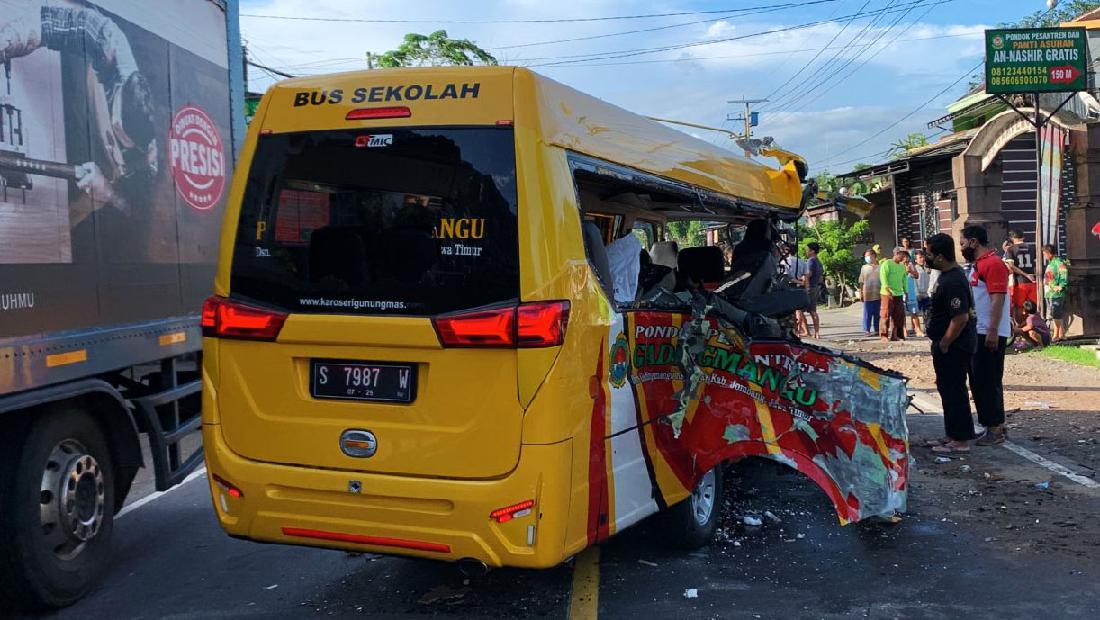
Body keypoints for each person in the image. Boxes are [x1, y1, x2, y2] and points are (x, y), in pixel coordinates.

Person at [923, 233, 978, 454]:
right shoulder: (946, 276)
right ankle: (951, 434)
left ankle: (961, 440)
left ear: (939, 256)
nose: (925, 257)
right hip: (945, 344)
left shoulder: (954, 280)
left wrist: (945, 342)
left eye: (928, 253)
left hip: (955, 345)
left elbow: (960, 317)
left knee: (955, 390)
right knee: (946, 388)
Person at [961, 224, 1011, 446]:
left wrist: (992, 330)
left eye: (963, 243)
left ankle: (995, 428)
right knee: (980, 380)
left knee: (987, 380)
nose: (961, 247)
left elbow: (997, 297)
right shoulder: (980, 264)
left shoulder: (992, 264)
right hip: (979, 330)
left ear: (973, 242)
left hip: (988, 331)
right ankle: (992, 425)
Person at [1004, 230, 1036, 324]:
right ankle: (1031, 326)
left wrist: (1025, 274)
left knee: (1018, 306)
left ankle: (1019, 328)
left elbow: (1011, 266)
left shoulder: (1011, 249)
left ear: (1012, 238)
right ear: (1023, 237)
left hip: (1019, 282)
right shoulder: (1032, 248)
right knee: (1032, 306)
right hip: (1032, 281)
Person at [879, 246, 908, 341]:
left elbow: (904, 279)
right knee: (885, 314)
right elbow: (883, 277)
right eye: (902, 254)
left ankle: (896, 335)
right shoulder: (887, 264)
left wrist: (906, 291)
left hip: (898, 293)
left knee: (899, 315)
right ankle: (884, 335)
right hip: (887, 294)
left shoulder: (902, 266)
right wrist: (887, 288)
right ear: (896, 254)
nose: (903, 256)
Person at [1042, 244, 1069, 342]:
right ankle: (1062, 334)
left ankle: (1056, 334)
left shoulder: (1058, 263)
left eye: (1044, 253)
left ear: (1049, 253)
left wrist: (1061, 286)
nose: (1044, 256)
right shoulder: (1051, 263)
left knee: (1056, 313)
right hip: (1050, 292)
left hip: (1056, 292)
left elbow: (1064, 274)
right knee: (1055, 313)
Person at [858, 248, 881, 336]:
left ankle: (877, 329)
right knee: (867, 313)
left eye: (868, 256)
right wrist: (861, 293)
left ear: (874, 256)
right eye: (865, 256)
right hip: (867, 294)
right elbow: (861, 281)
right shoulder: (864, 268)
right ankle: (866, 330)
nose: (866, 258)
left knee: (877, 313)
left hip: (878, 294)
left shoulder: (880, 267)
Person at [803, 242, 824, 339]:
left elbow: (808, 275)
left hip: (810, 287)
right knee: (813, 311)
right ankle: (817, 332)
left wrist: (804, 283)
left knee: (800, 310)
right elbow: (820, 278)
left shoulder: (810, 261)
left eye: (807, 249)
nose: (806, 251)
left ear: (812, 251)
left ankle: (805, 331)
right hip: (816, 286)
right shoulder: (819, 261)